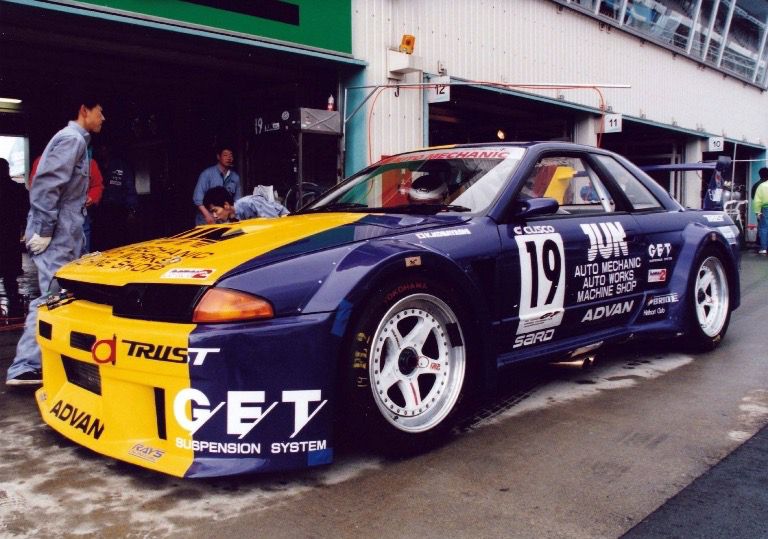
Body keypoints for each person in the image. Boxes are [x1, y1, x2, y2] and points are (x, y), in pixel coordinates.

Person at [6, 96, 105, 386]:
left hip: (66, 235)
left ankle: (45, 360)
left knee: (59, 296)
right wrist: (45, 229)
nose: (103, 118)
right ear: (84, 110)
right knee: (51, 297)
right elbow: (45, 185)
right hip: (57, 236)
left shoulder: (78, 141)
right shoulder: (71, 140)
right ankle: (25, 366)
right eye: (100, 112)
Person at [30, 151, 104, 253]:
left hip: (80, 218)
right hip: (51, 217)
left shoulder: (90, 163)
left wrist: (92, 196)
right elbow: (35, 187)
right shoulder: (42, 162)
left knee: (82, 254)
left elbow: (97, 186)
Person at [95, 143, 138, 250]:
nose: (103, 150)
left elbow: (130, 188)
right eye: (100, 148)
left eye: (105, 147)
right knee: (102, 243)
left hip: (118, 210)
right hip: (100, 211)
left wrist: (131, 211)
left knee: (119, 242)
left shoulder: (121, 166)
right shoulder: (95, 166)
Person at [0, 158, 28, 318]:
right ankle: (14, 306)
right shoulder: (17, 189)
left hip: (7, 233)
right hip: (11, 235)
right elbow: (26, 210)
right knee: (10, 276)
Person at [193, 146, 242, 225]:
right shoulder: (207, 174)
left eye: (231, 155)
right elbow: (197, 199)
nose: (229, 158)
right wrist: (208, 216)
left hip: (224, 220)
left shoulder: (235, 177)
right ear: (218, 157)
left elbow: (237, 201)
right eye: (225, 155)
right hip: (205, 220)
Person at [202, 185, 289, 223]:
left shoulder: (251, 202)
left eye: (215, 211)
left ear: (226, 205)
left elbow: (274, 222)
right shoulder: (229, 220)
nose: (214, 216)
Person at [754, 177, 768, 255]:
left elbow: (757, 200)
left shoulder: (762, 186)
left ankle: (764, 248)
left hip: (765, 208)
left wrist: (757, 212)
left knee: (764, 228)